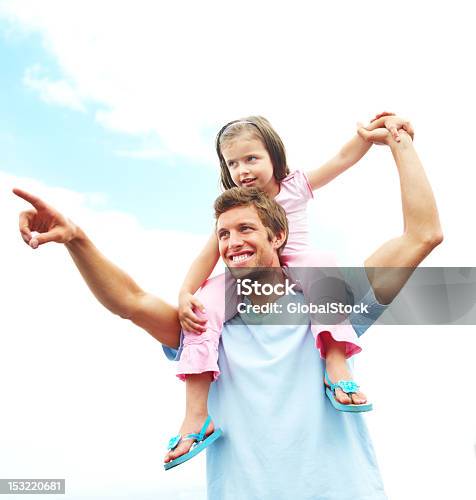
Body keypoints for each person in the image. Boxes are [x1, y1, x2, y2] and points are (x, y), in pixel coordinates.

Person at [13, 121, 442, 499]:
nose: (233, 242)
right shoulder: (206, 324)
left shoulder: (328, 300)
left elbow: (422, 235)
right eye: (223, 235)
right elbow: (131, 302)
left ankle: (338, 372)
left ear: (278, 237)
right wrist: (76, 239)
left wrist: (398, 140)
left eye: (246, 229)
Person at [168, 112, 414, 465]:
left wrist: (365, 137)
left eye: (251, 158)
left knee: (324, 272)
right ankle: (196, 414)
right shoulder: (236, 207)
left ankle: (336, 362)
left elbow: (341, 160)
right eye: (233, 163)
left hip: (297, 263)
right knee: (203, 310)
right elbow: (207, 257)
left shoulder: (294, 186)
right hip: (247, 276)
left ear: (273, 156)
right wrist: (186, 292)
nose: (243, 170)